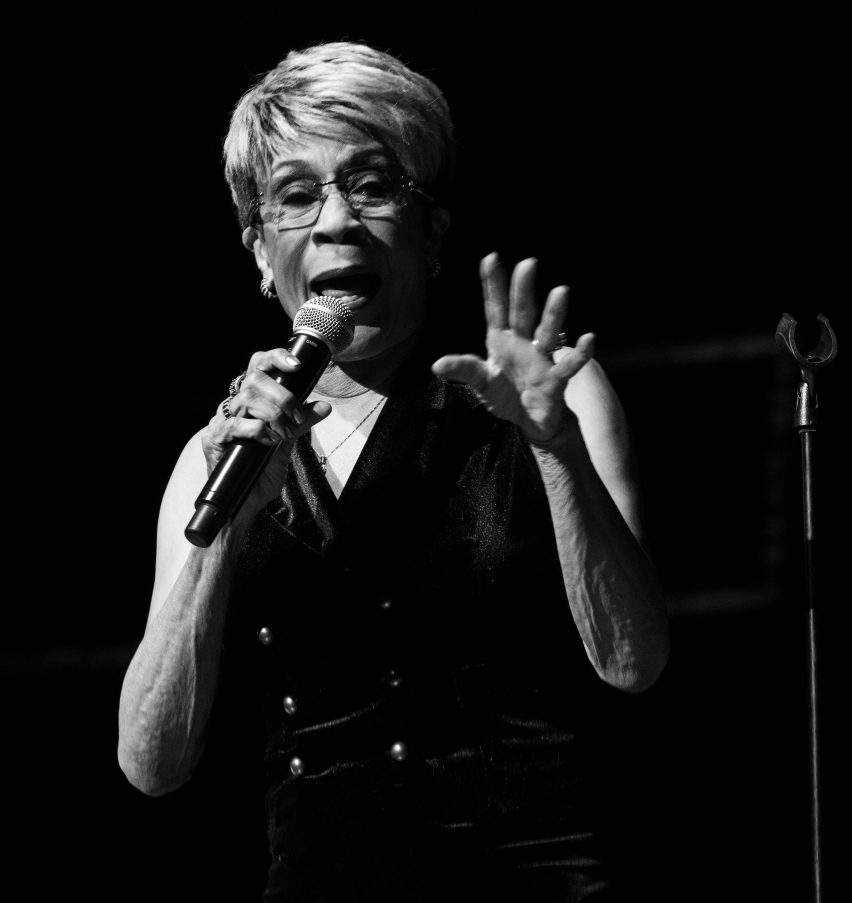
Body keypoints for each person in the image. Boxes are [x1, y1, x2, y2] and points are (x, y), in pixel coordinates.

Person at [117, 40, 670, 902]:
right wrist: (225, 531)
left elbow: (633, 661)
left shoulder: (546, 392)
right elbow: (151, 763)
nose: (336, 221)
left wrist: (556, 449)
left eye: (372, 186)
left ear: (431, 230)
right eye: (296, 196)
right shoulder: (217, 452)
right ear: (259, 250)